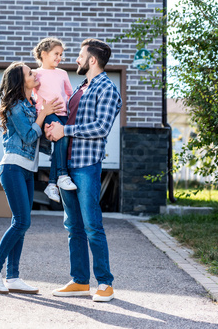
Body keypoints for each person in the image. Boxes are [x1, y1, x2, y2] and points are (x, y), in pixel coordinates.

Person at [45, 38, 121, 302]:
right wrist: (53, 129)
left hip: (86, 165)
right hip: (66, 165)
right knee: (73, 226)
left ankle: (105, 283)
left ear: (92, 60)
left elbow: (101, 128)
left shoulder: (108, 89)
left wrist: (66, 130)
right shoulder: (80, 88)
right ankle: (79, 280)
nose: (75, 59)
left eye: (79, 55)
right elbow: (65, 121)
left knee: (92, 225)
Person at [0, 61, 61, 294]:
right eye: (29, 73)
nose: (35, 74)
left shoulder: (31, 104)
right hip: (13, 168)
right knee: (21, 222)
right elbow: (27, 137)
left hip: (27, 169)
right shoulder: (15, 106)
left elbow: (38, 140)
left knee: (21, 223)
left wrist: (50, 130)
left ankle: (13, 277)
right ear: (20, 81)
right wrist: (43, 114)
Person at [32, 37, 77, 203]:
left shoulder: (62, 73)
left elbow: (69, 94)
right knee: (60, 140)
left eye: (61, 55)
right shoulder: (36, 74)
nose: (59, 58)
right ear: (44, 54)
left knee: (61, 143)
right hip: (47, 113)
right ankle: (62, 175)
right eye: (56, 54)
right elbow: (29, 94)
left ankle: (52, 184)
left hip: (63, 113)